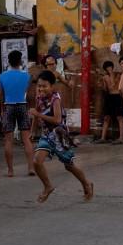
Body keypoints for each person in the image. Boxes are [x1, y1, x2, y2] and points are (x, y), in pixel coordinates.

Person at [29, 70, 94, 203]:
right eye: (39, 86)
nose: (41, 88)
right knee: (36, 161)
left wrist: (38, 115)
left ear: (52, 86)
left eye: (44, 86)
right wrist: (32, 131)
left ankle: (86, 183)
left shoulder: (55, 99)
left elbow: (57, 120)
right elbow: (36, 114)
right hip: (47, 135)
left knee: (69, 165)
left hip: (59, 136)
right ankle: (48, 186)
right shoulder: (39, 97)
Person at [0, 50, 34, 177]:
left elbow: (1, 96)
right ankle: (31, 168)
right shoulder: (27, 76)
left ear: (9, 61)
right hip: (22, 105)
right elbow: (29, 95)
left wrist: (2, 111)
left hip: (8, 107)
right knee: (26, 139)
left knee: (8, 141)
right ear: (20, 61)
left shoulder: (2, 76)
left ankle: (10, 170)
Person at [96, 61, 123, 144]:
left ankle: (121, 138)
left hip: (118, 96)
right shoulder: (105, 77)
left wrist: (111, 76)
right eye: (107, 67)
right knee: (106, 117)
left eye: (110, 67)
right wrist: (101, 83)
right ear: (105, 69)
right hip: (109, 97)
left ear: (112, 67)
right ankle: (103, 138)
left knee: (120, 117)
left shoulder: (118, 75)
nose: (109, 68)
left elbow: (114, 84)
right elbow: (106, 89)